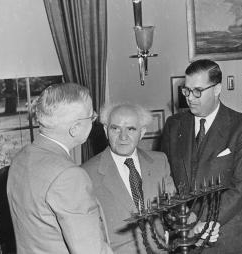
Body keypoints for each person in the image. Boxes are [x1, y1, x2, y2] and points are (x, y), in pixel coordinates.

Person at [82, 103, 219, 253]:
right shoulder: (86, 173)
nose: (123, 136)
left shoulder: (159, 162)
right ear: (105, 131)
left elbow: (174, 209)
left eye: (131, 129)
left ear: (142, 133)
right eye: (115, 128)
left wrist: (196, 228)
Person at [161, 59, 242, 253]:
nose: (190, 97)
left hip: (227, 235)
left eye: (198, 91)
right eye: (186, 90)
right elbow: (166, 178)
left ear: (217, 89)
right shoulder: (174, 125)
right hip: (185, 235)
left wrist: (202, 221)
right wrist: (186, 220)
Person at [7, 83, 113, 254]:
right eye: (91, 116)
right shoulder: (69, 176)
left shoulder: (22, 157)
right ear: (75, 128)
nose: (94, 120)